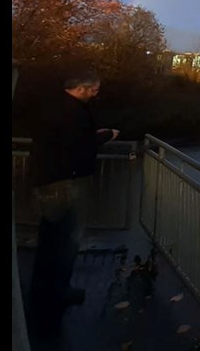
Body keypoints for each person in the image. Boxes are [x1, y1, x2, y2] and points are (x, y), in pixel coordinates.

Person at [27, 68, 119, 338]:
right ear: (80, 89)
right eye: (93, 90)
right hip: (66, 184)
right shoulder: (73, 112)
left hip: (46, 181)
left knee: (49, 238)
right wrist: (107, 135)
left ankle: (41, 291)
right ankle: (59, 294)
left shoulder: (54, 106)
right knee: (67, 240)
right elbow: (80, 144)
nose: (96, 94)